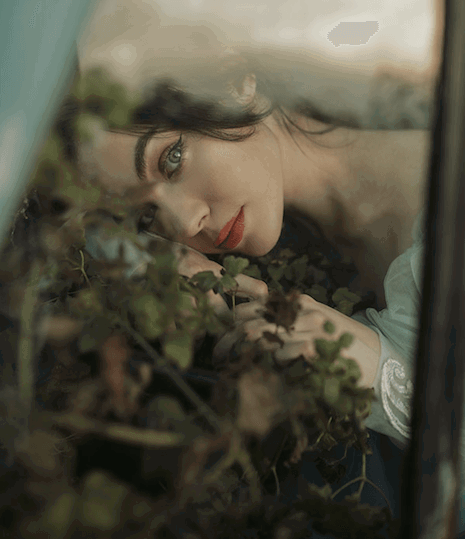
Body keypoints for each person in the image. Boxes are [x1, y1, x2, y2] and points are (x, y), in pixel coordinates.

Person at [73, 62, 454, 529]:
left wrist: (379, 372)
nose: (186, 223)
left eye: (172, 159)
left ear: (235, 82)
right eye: (148, 216)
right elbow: (72, 234)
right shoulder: (290, 271)